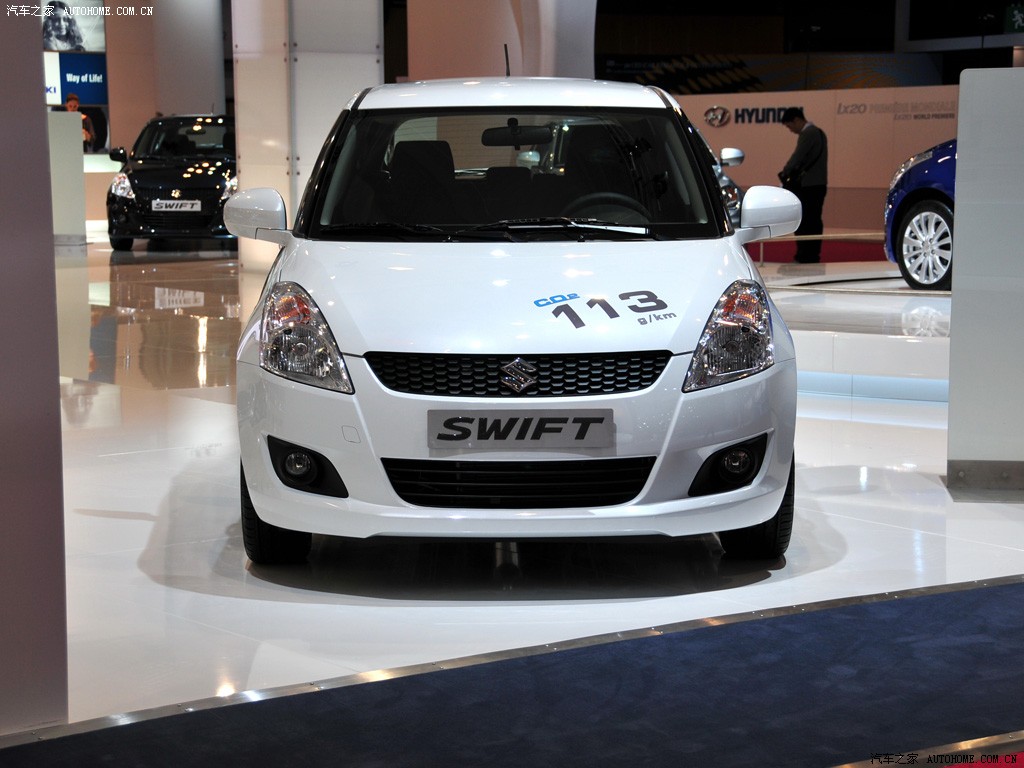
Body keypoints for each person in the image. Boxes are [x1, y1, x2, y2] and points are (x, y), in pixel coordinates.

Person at [778, 106, 828, 263]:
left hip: (808, 186)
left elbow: (797, 157)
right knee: (814, 220)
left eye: (790, 126)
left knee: (805, 222)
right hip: (818, 184)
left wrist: (785, 172)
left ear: (797, 120)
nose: (791, 130)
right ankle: (811, 254)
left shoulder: (808, 133)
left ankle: (805, 255)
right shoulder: (820, 133)